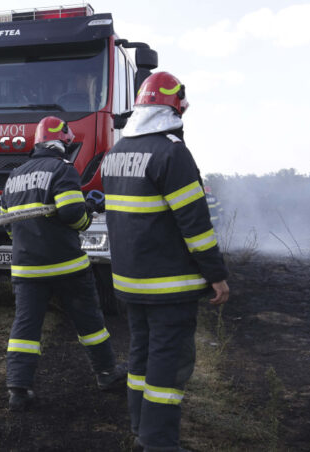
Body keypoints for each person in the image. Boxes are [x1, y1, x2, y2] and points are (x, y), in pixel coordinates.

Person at [101, 72, 230, 451]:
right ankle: (159, 442)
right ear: (175, 109)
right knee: (167, 362)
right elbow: (196, 225)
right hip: (169, 284)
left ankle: (141, 430)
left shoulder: (115, 153)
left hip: (130, 282)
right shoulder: (172, 153)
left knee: (140, 357)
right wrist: (216, 274)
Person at [0, 116, 127, 411]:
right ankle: (107, 373)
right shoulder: (62, 169)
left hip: (25, 267)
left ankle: (18, 389)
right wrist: (87, 213)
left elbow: (7, 225)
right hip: (66, 265)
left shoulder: (14, 175)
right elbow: (71, 213)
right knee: (90, 323)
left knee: (25, 327)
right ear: (64, 143)